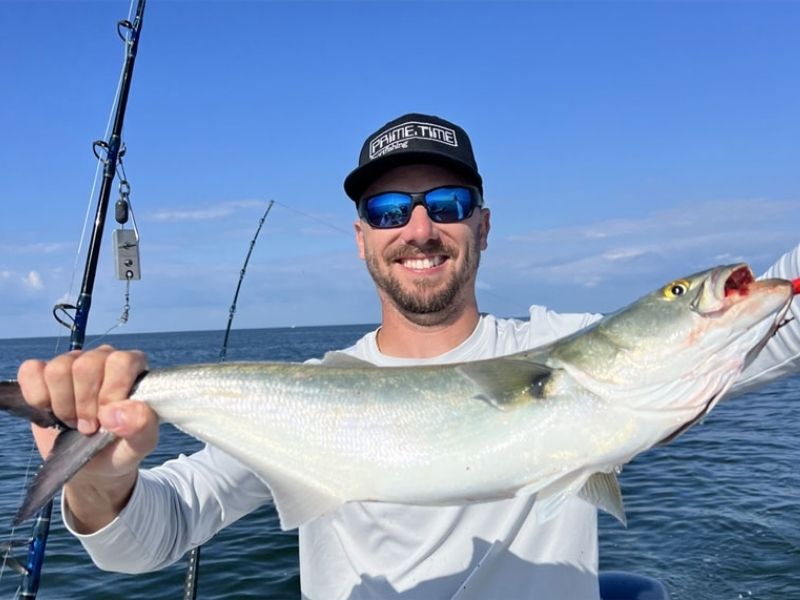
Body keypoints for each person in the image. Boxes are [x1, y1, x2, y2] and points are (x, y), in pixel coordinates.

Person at [18, 113, 800, 599]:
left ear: (482, 226)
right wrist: (99, 483)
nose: (420, 228)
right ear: (363, 237)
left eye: (448, 205)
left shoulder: (556, 348)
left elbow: (779, 322)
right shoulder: (305, 399)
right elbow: (150, 539)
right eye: (390, 209)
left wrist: (739, 297)